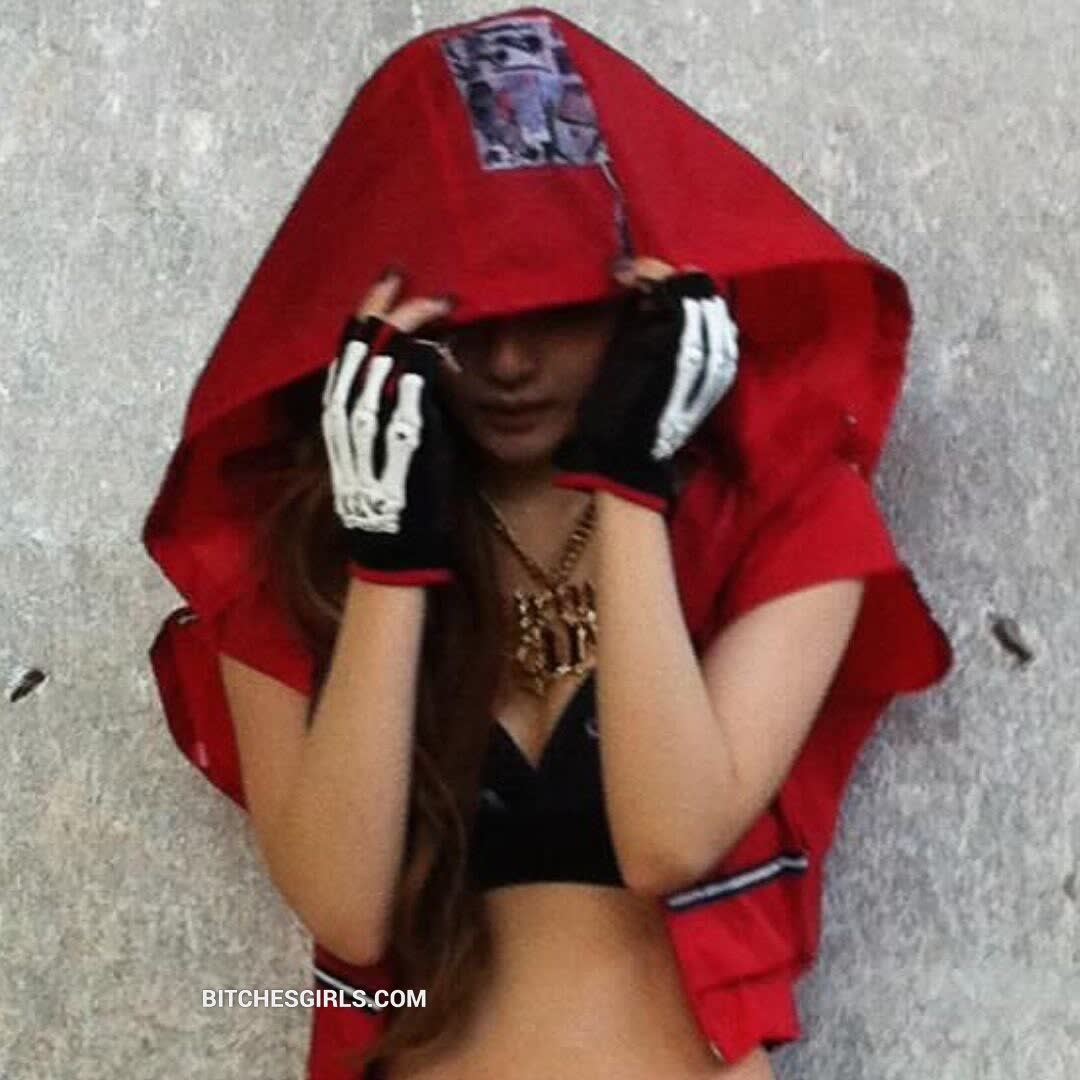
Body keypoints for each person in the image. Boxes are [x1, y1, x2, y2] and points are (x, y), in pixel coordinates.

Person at [141, 8, 954, 1079]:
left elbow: (668, 839)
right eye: (463, 320)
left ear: (644, 295)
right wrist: (388, 562)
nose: (511, 362)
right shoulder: (294, 555)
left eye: (558, 306)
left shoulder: (787, 520)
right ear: (384, 319)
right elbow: (347, 905)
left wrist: (630, 488)